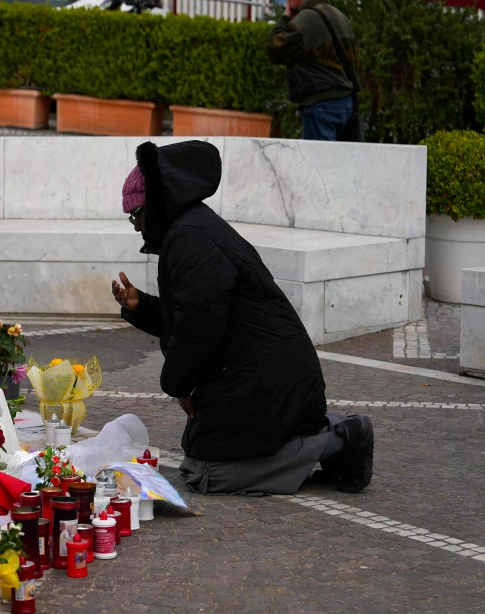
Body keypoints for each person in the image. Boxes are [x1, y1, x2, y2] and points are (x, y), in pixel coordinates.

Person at [112, 140, 374, 495]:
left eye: (135, 216)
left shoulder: (190, 238)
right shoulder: (189, 229)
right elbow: (192, 315)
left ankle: (338, 440)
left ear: (156, 205)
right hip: (255, 375)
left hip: (264, 379)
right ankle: (323, 433)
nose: (135, 227)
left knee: (207, 474)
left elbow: (199, 327)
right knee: (199, 462)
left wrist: (179, 384)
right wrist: (140, 307)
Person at [266, 0, 359, 141]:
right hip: (345, 102)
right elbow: (353, 62)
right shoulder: (339, 16)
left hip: (321, 103)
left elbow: (274, 51)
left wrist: (286, 17)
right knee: (337, 161)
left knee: (318, 160)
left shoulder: (306, 19)